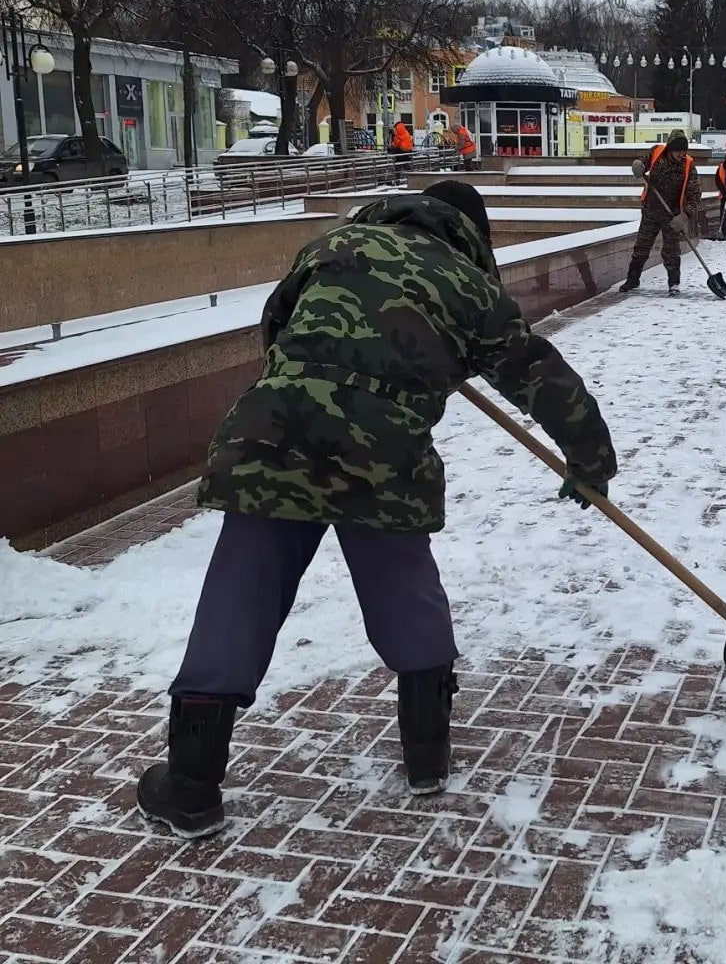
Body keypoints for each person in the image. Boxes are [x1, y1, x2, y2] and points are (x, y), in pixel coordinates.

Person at [135, 181, 616, 839]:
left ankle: (190, 784)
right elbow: (543, 377)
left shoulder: (335, 244)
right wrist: (589, 460)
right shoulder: (473, 291)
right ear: (470, 236)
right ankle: (426, 757)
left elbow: (276, 326)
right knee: (403, 589)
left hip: (272, 437)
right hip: (381, 456)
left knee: (240, 592)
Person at [619, 130, 700, 297]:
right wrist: (638, 165)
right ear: (670, 149)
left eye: (684, 151)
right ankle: (632, 279)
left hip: (672, 215)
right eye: (677, 151)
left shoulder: (688, 164)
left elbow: (694, 195)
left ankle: (674, 283)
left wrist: (684, 215)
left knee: (671, 250)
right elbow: (642, 162)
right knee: (642, 246)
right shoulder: (656, 152)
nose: (681, 154)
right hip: (651, 211)